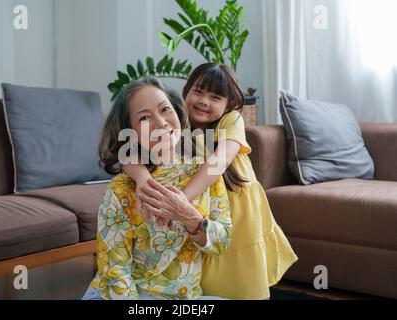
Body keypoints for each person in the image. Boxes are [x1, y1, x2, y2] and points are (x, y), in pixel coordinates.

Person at [123, 63, 298, 300]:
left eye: (215, 97)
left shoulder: (231, 120)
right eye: (198, 91)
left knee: (243, 275)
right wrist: (143, 179)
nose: (204, 101)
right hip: (204, 211)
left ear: (230, 104)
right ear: (186, 91)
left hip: (238, 211)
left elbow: (219, 161)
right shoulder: (175, 123)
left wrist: (183, 197)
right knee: (208, 275)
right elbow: (130, 151)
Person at [82, 76, 232, 300]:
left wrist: (190, 217)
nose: (161, 123)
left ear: (179, 115)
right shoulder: (121, 190)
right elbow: (116, 273)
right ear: (130, 132)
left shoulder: (204, 174)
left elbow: (222, 242)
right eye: (144, 118)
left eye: (165, 109)